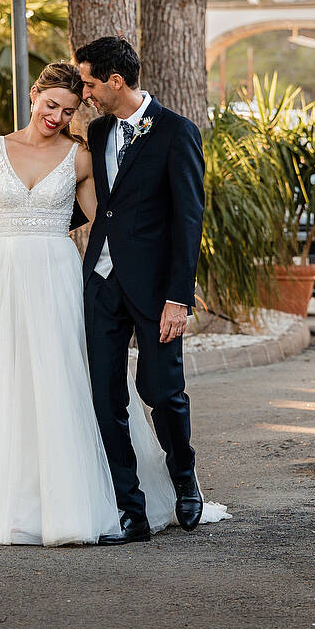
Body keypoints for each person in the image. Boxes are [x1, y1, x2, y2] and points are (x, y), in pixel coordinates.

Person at [0, 60, 224, 546]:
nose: (56, 117)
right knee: (14, 385)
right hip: (5, 278)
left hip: (59, 277)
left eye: (68, 110)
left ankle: (122, 494)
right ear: (34, 95)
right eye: (51, 105)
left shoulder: (81, 154)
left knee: (71, 383)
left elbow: (111, 215)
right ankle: (23, 504)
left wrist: (171, 285)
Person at [76, 36, 206, 546]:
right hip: (101, 282)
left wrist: (179, 297)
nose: (85, 93)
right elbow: (99, 204)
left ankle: (185, 480)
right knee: (106, 398)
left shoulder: (176, 132)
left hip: (155, 290)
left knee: (162, 391)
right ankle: (131, 511)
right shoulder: (98, 131)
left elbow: (188, 221)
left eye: (89, 83)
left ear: (115, 81)